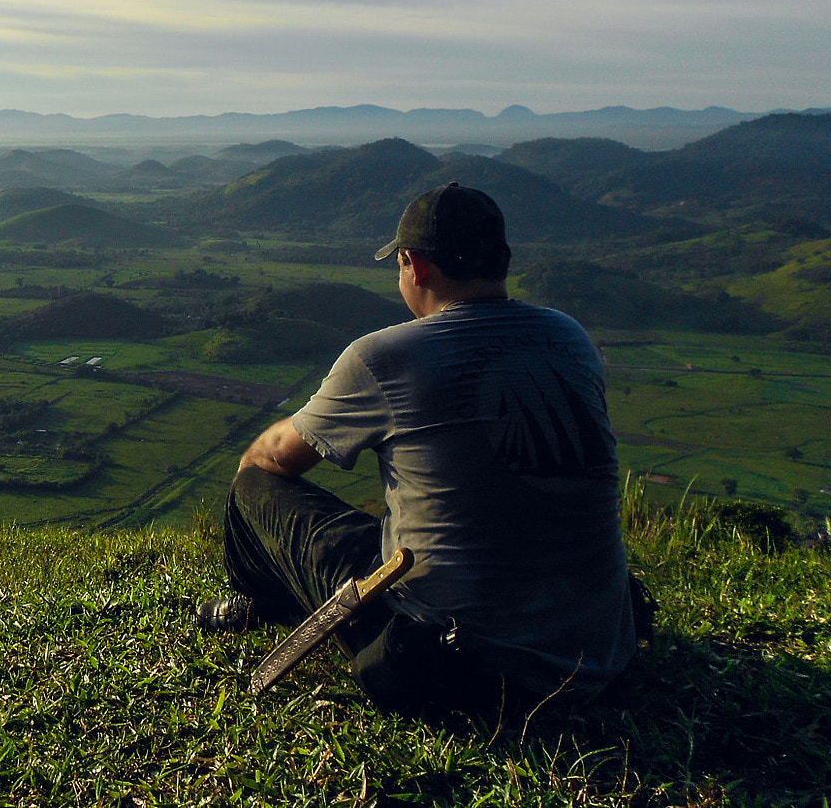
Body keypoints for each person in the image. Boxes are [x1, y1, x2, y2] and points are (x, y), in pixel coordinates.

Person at [198, 183, 638, 714]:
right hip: (599, 653)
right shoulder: (571, 340)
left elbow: (271, 458)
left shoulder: (386, 357)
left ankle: (258, 602)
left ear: (415, 266)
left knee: (254, 485)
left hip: (459, 667)